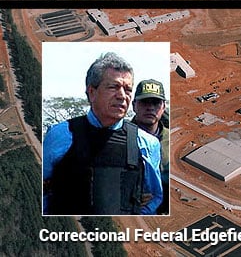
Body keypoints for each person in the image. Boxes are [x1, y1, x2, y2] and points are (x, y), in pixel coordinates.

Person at [43, 52, 162, 215]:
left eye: (128, 89)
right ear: (92, 92)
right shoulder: (60, 135)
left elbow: (154, 198)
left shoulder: (147, 144)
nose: (122, 96)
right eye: (113, 87)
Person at [131, 79, 169, 215]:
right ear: (134, 105)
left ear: (163, 107)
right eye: (145, 102)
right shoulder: (119, 138)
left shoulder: (174, 142)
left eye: (156, 103)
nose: (150, 107)